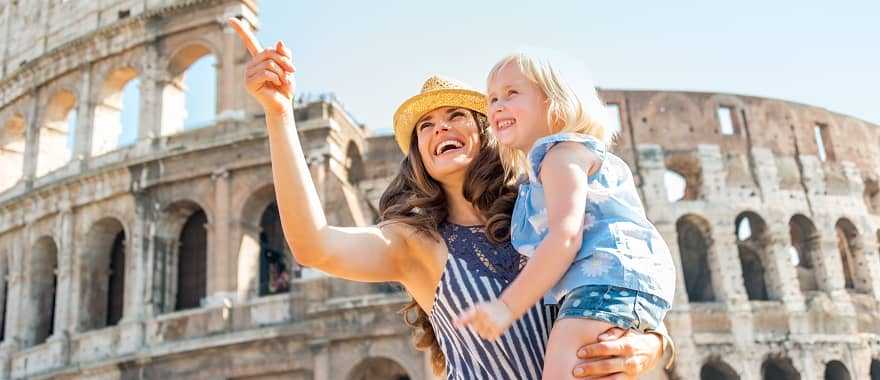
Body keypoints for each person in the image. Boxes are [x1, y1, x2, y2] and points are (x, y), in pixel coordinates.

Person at [228, 18, 671, 379]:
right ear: (420, 156)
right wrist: (279, 115)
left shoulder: (539, 210)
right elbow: (314, 244)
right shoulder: (412, 243)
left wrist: (651, 344)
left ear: (488, 133)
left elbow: (620, 274)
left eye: (456, 115)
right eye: (426, 126)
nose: (440, 127)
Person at [454, 51, 677, 379]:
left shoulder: (560, 156)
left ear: (553, 101)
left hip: (604, 285)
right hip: (610, 286)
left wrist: (506, 307)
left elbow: (566, 236)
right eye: (492, 99)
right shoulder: (545, 168)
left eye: (511, 93)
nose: (498, 105)